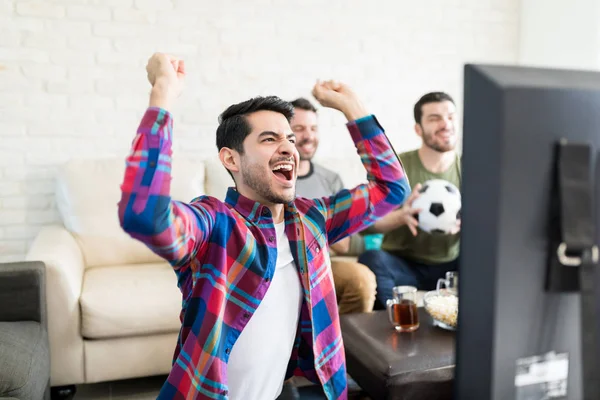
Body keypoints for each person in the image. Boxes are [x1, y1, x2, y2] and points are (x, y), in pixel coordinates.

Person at [118, 53, 410, 400]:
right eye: (270, 139)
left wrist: (354, 107)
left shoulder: (311, 219)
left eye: (289, 139)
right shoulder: (215, 224)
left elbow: (392, 189)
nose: (288, 147)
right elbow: (143, 212)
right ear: (230, 159)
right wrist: (163, 92)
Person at [358, 92, 461, 308]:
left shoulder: (474, 169)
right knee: (372, 260)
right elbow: (365, 224)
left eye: (450, 117)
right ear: (418, 129)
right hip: (404, 265)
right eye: (434, 118)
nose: (445, 124)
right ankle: (392, 322)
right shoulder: (395, 168)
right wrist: (401, 216)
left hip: (454, 265)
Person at [290, 97, 377, 314]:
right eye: (299, 128)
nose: (308, 136)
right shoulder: (271, 176)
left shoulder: (330, 179)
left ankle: (350, 347)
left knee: (361, 279)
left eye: (313, 128)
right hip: (283, 263)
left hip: (321, 262)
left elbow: (343, 244)